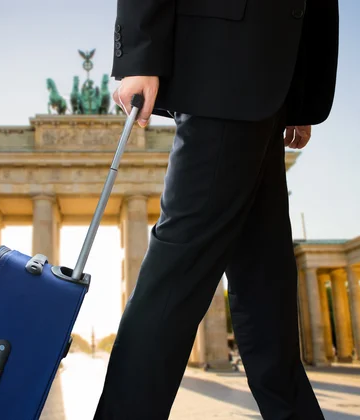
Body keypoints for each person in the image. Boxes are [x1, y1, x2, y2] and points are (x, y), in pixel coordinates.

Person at [95, 1, 339, 419]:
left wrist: (300, 97)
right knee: (179, 275)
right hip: (223, 68)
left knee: (268, 285)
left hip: (272, 81)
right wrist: (141, 55)